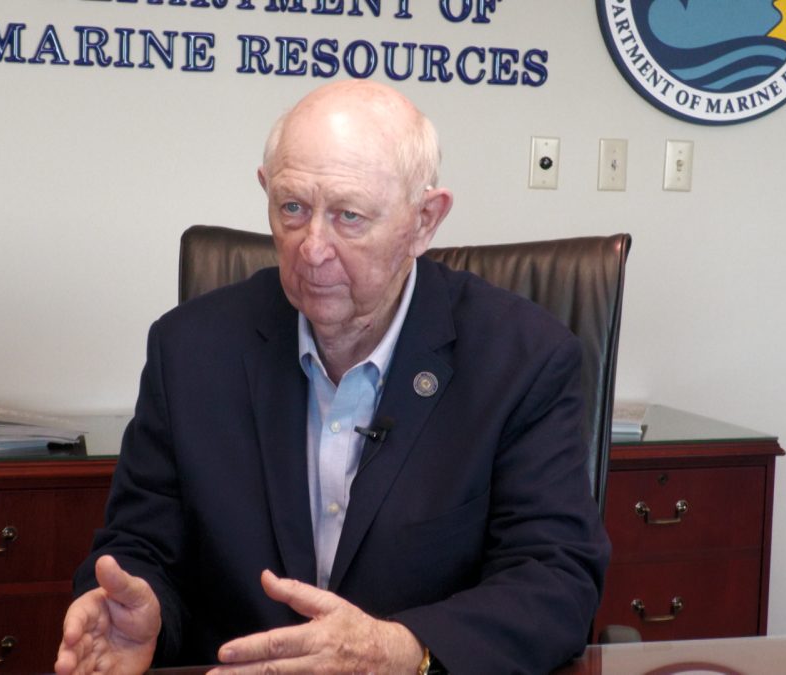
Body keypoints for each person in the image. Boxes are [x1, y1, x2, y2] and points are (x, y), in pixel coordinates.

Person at [56, 80, 610, 675]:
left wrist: (403, 650)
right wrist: (138, 613)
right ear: (266, 191)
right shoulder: (187, 350)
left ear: (424, 221)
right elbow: (142, 550)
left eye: (349, 216)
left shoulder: (524, 359)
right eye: (292, 208)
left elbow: (555, 581)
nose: (312, 248)